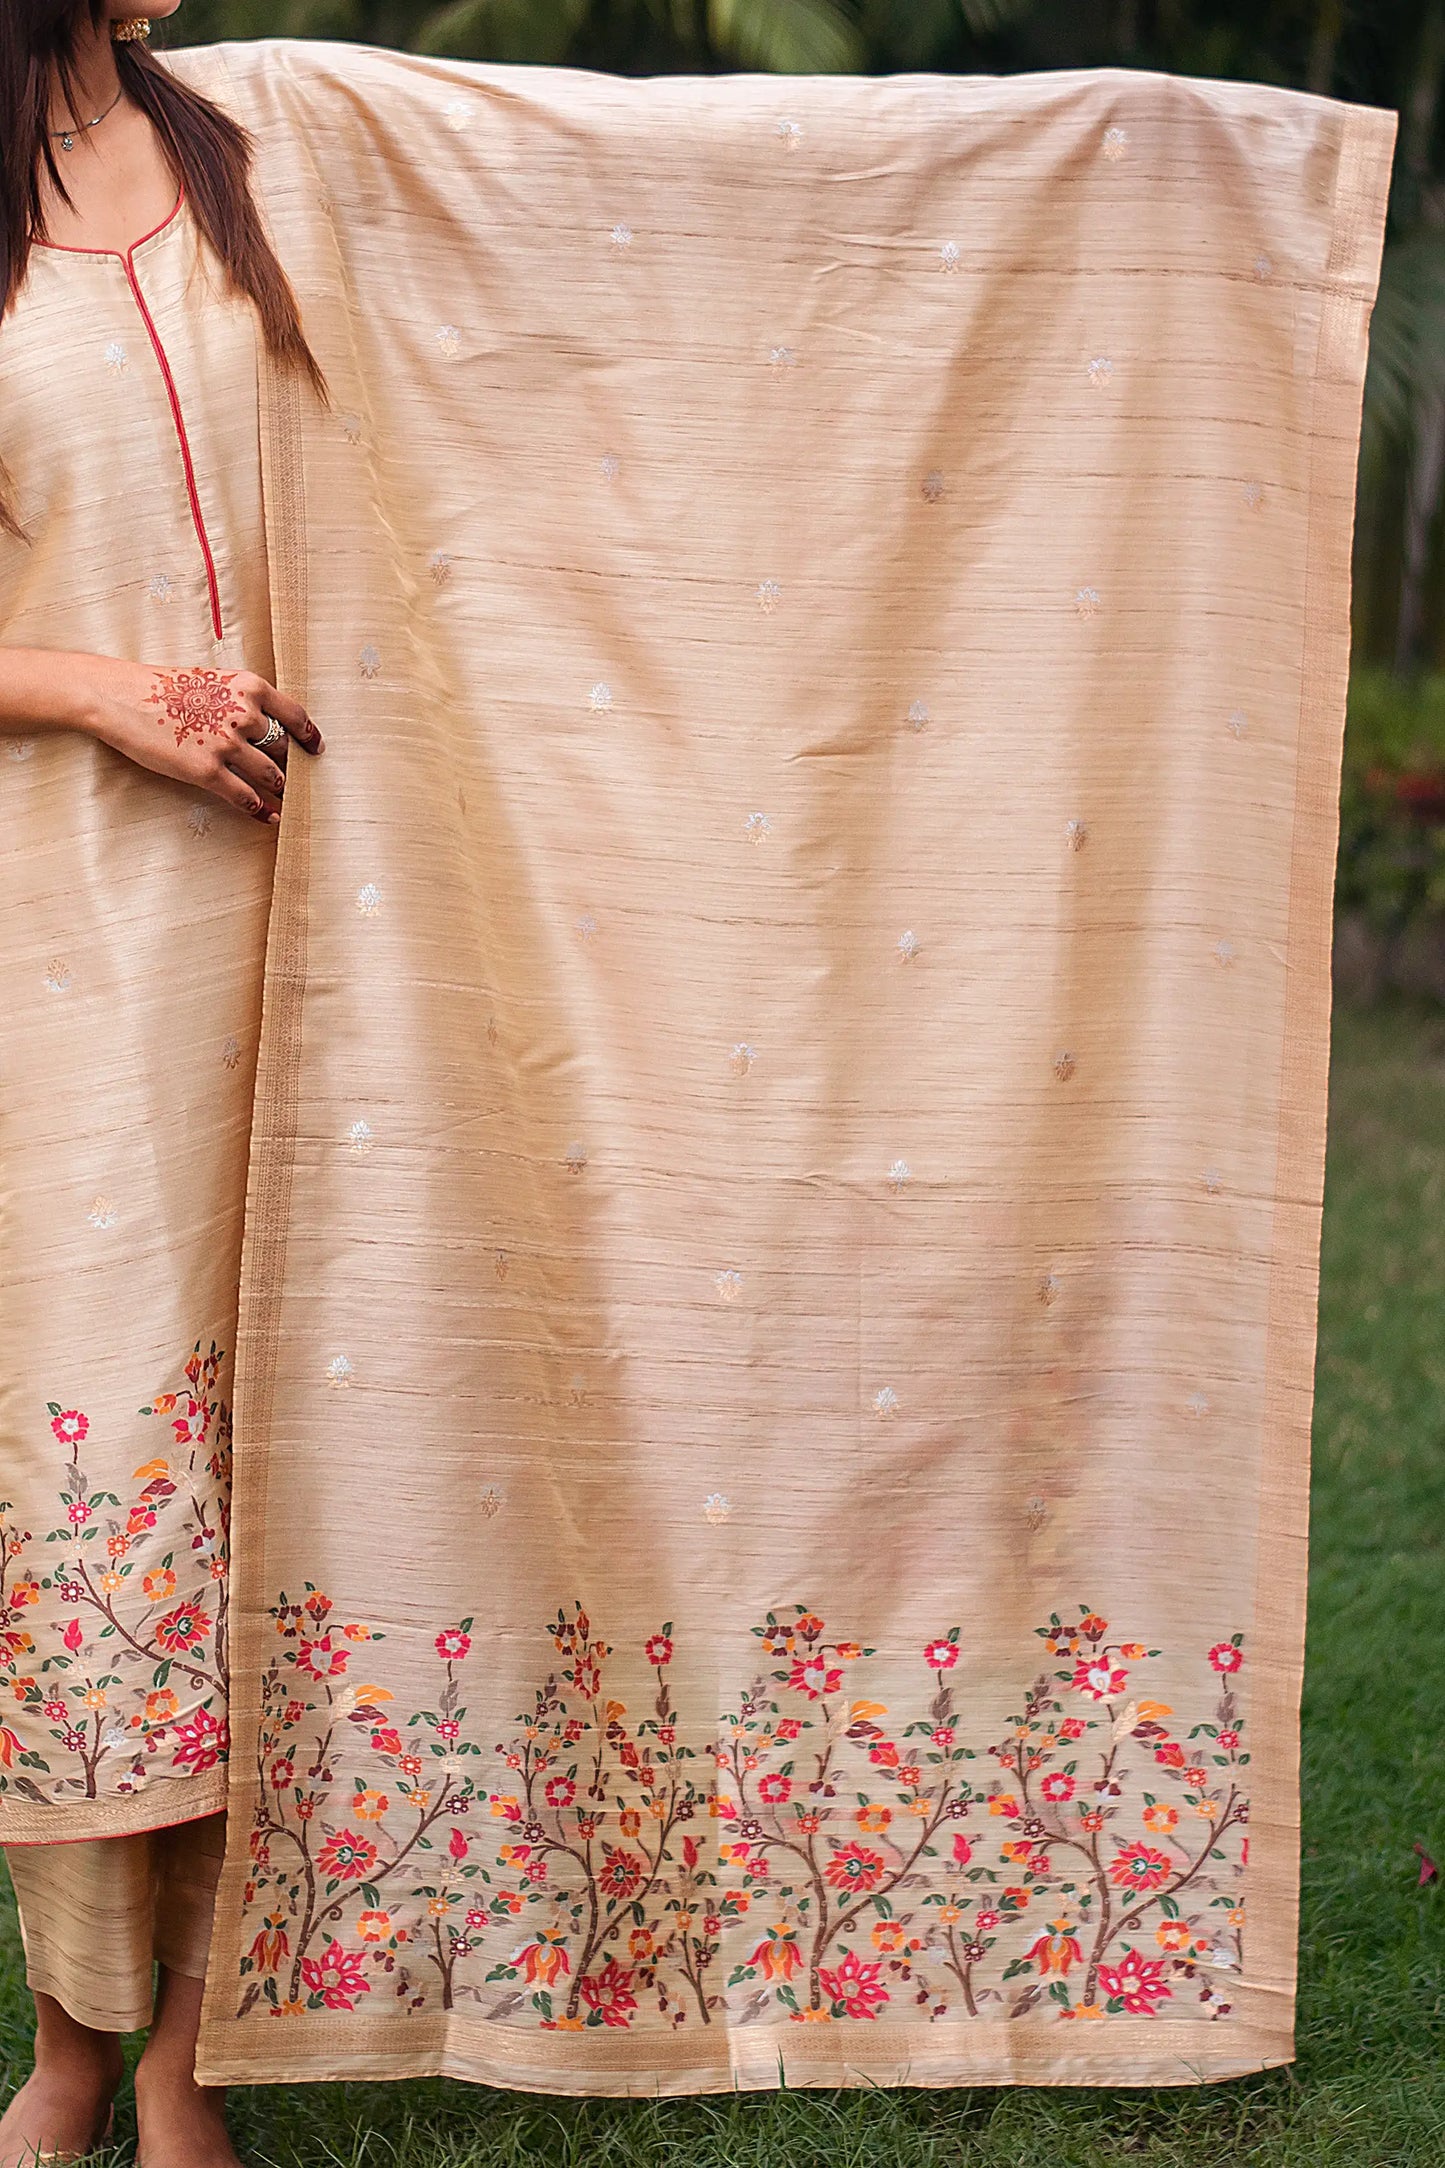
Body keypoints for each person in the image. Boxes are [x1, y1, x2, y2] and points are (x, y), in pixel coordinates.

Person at [0, 5, 325, 2161]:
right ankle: (68, 2053)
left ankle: (198, 2054)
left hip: (308, 927)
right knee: (84, 1477)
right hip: (52, 937)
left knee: (265, 1479)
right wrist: (108, 692)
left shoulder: (274, 137)